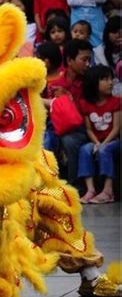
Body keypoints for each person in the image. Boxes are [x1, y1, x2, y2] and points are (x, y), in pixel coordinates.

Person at [48, 39, 93, 188]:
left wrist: (69, 99)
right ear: (69, 60)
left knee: (69, 141)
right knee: (47, 140)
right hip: (56, 127)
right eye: (84, 59)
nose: (88, 64)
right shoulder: (55, 83)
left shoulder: (90, 81)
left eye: (89, 59)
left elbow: (87, 113)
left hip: (81, 129)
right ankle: (48, 186)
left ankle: (73, 186)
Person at [78, 65, 120, 204]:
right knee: (84, 149)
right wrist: (96, 143)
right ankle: (90, 190)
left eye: (111, 79)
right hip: (97, 140)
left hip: (114, 140)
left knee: (105, 149)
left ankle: (108, 191)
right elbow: (89, 129)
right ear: (94, 82)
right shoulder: (85, 104)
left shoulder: (116, 102)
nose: (110, 82)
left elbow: (116, 128)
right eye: (105, 79)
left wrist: (102, 144)